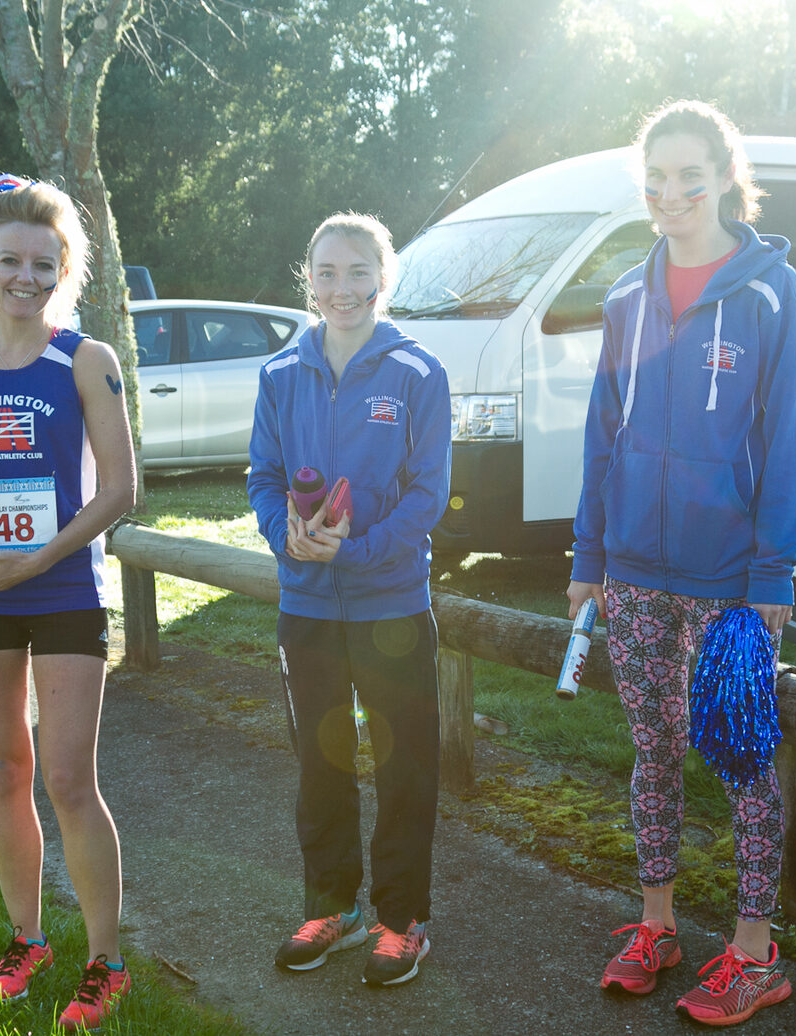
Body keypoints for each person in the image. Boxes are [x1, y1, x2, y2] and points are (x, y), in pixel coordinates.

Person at [567, 99, 796, 1026]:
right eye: (656, 180)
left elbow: (790, 438)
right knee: (654, 752)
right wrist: (590, 553)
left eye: (689, 177)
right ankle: (657, 926)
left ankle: (754, 951)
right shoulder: (626, 300)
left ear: (724, 178)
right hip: (634, 571)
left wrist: (771, 569)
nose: (671, 195)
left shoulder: (771, 294)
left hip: (731, 582)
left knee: (742, 759)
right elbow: (602, 435)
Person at [0, 175, 138, 1031]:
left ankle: (106, 962)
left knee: (69, 779)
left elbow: (121, 490)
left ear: (64, 270)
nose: (25, 277)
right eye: (10, 260)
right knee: (5, 771)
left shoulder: (86, 360)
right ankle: (27, 940)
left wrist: (38, 560)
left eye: (44, 264)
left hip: (65, 587)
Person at [247, 212, 451, 988]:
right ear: (309, 278)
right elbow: (263, 476)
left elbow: (428, 495)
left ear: (383, 279)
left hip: (391, 606)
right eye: (327, 272)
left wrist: (357, 552)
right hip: (306, 606)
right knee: (320, 765)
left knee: (405, 769)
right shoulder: (280, 373)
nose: (342, 288)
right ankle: (333, 908)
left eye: (358, 272)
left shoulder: (418, 372)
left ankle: (403, 922)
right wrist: (287, 539)